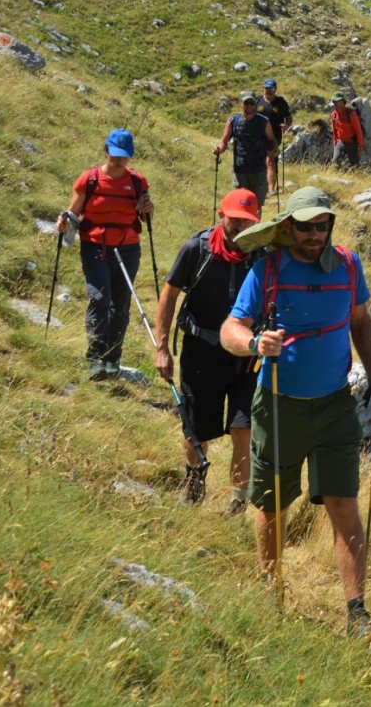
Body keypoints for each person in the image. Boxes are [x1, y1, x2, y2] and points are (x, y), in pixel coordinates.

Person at [220, 186, 371, 638]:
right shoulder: (268, 269)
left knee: (343, 503)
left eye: (322, 226)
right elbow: (231, 328)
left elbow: (360, 321)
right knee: (273, 504)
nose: (315, 234)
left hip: (335, 404)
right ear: (288, 227)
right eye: (305, 226)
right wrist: (255, 343)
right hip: (277, 405)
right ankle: (270, 591)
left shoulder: (349, 266)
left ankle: (357, 612)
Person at [154, 188, 263, 514]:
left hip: (246, 357)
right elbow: (169, 294)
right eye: (235, 219)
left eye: (248, 221)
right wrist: (162, 347)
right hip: (201, 351)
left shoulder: (260, 255)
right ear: (221, 214)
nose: (240, 227)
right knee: (195, 426)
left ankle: (237, 502)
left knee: (243, 428)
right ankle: (196, 480)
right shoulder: (196, 249)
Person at [55, 128, 154, 381]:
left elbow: (144, 216)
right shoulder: (89, 179)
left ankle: (112, 359)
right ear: (106, 150)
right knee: (100, 298)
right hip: (95, 248)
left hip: (128, 249)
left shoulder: (137, 181)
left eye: (124, 156)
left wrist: (148, 209)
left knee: (120, 306)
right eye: (115, 154)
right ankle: (96, 359)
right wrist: (64, 223)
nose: (119, 160)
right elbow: (73, 213)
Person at [214, 93, 277, 208]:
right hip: (240, 170)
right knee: (239, 204)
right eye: (246, 103)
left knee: (256, 206)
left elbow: (271, 140)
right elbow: (224, 141)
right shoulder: (233, 121)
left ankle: (256, 226)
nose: (249, 105)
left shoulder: (264, 122)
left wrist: (273, 150)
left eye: (252, 103)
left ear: (255, 105)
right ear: (241, 103)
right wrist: (219, 149)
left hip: (259, 170)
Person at [255, 78, 293, 194]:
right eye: (267, 88)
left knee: (272, 161)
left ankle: (271, 189)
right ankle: (260, 187)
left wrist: (286, 126)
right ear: (263, 88)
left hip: (276, 138)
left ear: (275, 89)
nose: (269, 91)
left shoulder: (281, 102)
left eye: (271, 88)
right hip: (259, 137)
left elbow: (289, 118)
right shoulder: (258, 102)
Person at [329, 95, 365, 168]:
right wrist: (335, 144)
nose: (336, 106)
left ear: (343, 103)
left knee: (355, 166)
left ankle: (358, 178)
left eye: (338, 103)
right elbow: (335, 131)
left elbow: (358, 131)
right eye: (335, 104)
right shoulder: (334, 115)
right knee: (335, 162)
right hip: (340, 142)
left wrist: (360, 148)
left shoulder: (351, 114)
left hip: (352, 143)